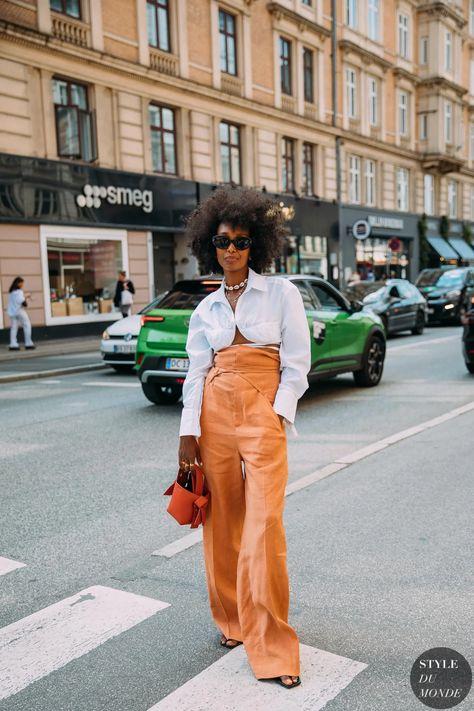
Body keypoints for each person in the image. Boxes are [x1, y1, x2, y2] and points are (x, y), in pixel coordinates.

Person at [178, 186, 311, 689]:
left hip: (261, 412)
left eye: (240, 241)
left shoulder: (281, 293)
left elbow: (297, 362)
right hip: (212, 414)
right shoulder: (205, 309)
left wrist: (276, 414)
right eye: (221, 241)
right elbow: (195, 372)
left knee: (263, 529)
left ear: (256, 244)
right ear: (209, 245)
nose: (230, 250)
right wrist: (188, 430)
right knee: (221, 523)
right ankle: (233, 621)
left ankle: (274, 645)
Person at [7, 276, 35, 351]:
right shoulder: (19, 291)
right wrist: (27, 297)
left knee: (14, 328)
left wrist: (25, 297)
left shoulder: (11, 291)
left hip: (12, 312)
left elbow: (15, 300)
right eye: (22, 283)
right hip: (19, 311)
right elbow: (21, 301)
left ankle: (13, 345)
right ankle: (28, 343)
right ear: (18, 283)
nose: (22, 284)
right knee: (27, 324)